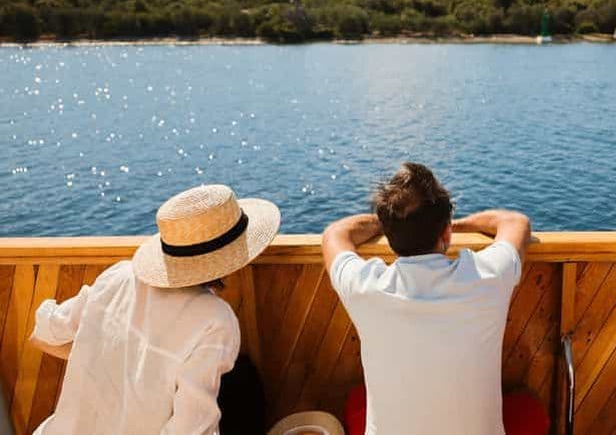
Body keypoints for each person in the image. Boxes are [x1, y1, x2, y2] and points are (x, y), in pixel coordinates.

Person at [28, 184, 281, 435]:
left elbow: (42, 335)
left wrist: (112, 358)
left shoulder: (117, 276)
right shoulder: (215, 320)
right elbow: (191, 430)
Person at [322, 162, 549, 435]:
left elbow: (335, 233)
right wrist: (454, 224)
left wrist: (393, 224)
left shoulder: (364, 287)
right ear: (446, 232)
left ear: (393, 236)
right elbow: (514, 222)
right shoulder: (486, 277)